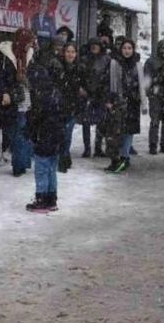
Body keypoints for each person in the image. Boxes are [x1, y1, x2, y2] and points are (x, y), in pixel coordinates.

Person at [24, 41, 65, 212]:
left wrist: (29, 130)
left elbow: (36, 117)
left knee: (41, 168)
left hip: (44, 137)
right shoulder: (56, 93)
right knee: (51, 169)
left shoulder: (40, 96)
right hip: (56, 137)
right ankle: (51, 198)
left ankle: (41, 198)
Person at [0, 29, 36, 177]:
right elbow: (0, 78)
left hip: (27, 99)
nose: (30, 46)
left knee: (25, 132)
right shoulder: (7, 57)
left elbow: (34, 75)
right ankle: (19, 165)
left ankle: (23, 162)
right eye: (28, 42)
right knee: (18, 133)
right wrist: (6, 91)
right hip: (14, 100)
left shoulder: (29, 56)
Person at [100, 38, 142, 173]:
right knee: (115, 131)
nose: (127, 51)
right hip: (117, 102)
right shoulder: (113, 63)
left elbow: (141, 83)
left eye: (130, 48)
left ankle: (125, 157)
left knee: (129, 131)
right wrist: (109, 99)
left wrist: (138, 95)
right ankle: (115, 158)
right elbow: (106, 82)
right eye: (125, 48)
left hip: (132, 102)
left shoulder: (137, 64)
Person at [55, 40, 88, 172]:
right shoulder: (57, 66)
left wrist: (82, 90)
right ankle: (62, 157)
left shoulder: (80, 68)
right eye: (68, 51)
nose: (70, 54)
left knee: (67, 134)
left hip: (73, 106)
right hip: (59, 105)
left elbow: (85, 85)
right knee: (61, 133)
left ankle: (65, 156)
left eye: (73, 52)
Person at [79, 37, 108, 158]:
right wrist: (81, 87)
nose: (94, 47)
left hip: (101, 93)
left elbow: (108, 77)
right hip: (87, 93)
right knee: (86, 121)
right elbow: (79, 75)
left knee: (101, 121)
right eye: (92, 45)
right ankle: (87, 148)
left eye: (97, 45)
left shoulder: (106, 60)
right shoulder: (84, 59)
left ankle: (98, 147)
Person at [143, 40, 164, 155]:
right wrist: (149, 91)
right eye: (162, 48)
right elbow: (147, 78)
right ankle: (153, 145)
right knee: (155, 120)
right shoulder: (151, 61)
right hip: (156, 94)